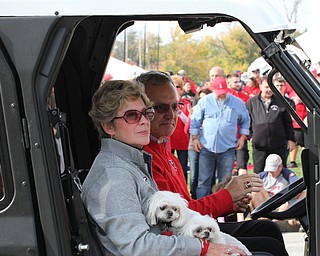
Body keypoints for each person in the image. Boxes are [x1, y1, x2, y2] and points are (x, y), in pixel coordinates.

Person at [136, 70, 289, 256]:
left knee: (268, 229)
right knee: (268, 247)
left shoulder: (164, 149)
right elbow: (177, 216)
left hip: (190, 229)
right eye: (161, 108)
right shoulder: (145, 157)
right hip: (181, 239)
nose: (171, 114)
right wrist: (225, 197)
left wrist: (229, 203)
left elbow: (187, 207)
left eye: (175, 107)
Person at [82, 80, 239, 256]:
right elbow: (138, 246)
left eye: (146, 113)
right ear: (108, 126)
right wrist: (202, 248)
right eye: (132, 116)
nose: (144, 121)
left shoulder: (131, 163)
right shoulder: (114, 176)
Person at [190, 77, 250, 198]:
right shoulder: (205, 101)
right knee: (203, 181)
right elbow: (195, 121)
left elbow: (246, 120)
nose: (221, 96)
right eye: (219, 93)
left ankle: (222, 209)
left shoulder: (237, 103)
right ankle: (202, 209)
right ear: (213, 90)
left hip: (227, 149)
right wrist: (195, 138)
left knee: (225, 182)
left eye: (223, 93)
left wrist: (242, 137)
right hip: (207, 147)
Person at [246, 75, 296, 174]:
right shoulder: (252, 102)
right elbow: (247, 120)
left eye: (271, 87)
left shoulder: (281, 101)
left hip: (278, 144)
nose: (269, 90)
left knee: (280, 172)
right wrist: (251, 136)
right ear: (260, 87)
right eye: (266, 87)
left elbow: (288, 122)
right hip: (259, 146)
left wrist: (291, 139)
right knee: (259, 174)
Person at [185, 88, 212, 199]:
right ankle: (193, 197)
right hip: (193, 146)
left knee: (206, 175)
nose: (202, 100)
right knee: (194, 174)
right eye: (200, 98)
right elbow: (186, 130)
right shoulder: (195, 110)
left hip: (208, 146)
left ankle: (206, 197)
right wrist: (191, 118)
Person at [227, 73, 250, 175]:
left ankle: (245, 190)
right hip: (226, 136)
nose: (238, 84)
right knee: (225, 167)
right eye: (235, 82)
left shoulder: (244, 96)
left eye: (239, 81)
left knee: (242, 164)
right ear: (228, 83)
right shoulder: (224, 96)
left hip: (240, 135)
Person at [170, 75, 190, 182]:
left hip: (182, 140)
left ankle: (183, 187)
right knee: (168, 166)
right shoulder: (166, 103)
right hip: (169, 139)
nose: (175, 89)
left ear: (181, 89)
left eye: (177, 86)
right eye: (173, 86)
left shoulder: (186, 103)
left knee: (182, 167)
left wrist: (181, 114)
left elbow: (189, 122)